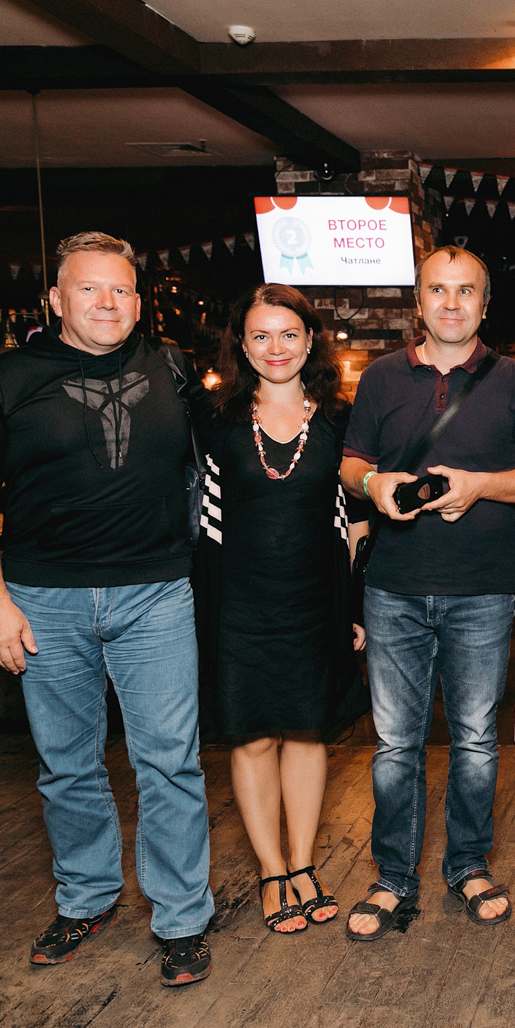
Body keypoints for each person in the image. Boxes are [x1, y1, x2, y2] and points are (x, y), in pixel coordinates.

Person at [0, 230, 215, 988]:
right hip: (43, 600)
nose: (107, 302)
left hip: (156, 594)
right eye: (89, 288)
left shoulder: (173, 369)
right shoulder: (3, 378)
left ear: (138, 301)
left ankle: (181, 919)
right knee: (67, 765)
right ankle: (86, 899)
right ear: (56, 300)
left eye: (121, 289)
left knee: (170, 763)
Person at [340, 245, 515, 941]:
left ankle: (467, 864)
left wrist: (479, 485)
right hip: (393, 589)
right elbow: (351, 463)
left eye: (466, 291)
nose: (452, 303)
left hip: (484, 591)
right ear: (419, 301)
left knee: (474, 742)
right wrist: (374, 484)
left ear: (485, 305)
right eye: (439, 289)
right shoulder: (381, 377)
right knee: (394, 745)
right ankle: (393, 875)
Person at [195, 283, 367, 936]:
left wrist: (353, 609)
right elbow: (202, 521)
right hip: (237, 605)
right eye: (261, 335)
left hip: (314, 602)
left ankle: (302, 864)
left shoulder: (338, 419)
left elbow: (354, 523)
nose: (276, 347)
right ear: (241, 345)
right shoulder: (216, 418)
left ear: (309, 340)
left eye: (289, 334)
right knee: (252, 736)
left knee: (305, 732)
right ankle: (272, 871)